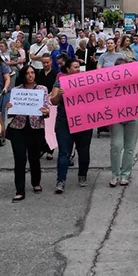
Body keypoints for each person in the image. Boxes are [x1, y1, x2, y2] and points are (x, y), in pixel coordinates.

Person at [50, 58, 94, 192]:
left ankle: (82, 175)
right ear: (68, 69)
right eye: (75, 67)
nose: (78, 69)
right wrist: (60, 95)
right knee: (64, 152)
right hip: (65, 122)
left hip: (83, 120)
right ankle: (61, 180)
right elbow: (53, 101)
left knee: (83, 150)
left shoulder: (86, 81)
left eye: (79, 67)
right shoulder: (60, 82)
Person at [8, 65, 50, 200]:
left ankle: (36, 182)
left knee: (34, 157)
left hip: (36, 128)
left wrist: (46, 112)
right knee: (19, 159)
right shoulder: (16, 90)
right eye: (27, 73)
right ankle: (19, 190)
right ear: (23, 75)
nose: (30, 75)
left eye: (32, 73)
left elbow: (47, 108)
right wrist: (9, 108)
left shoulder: (42, 89)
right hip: (18, 128)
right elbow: (10, 114)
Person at [108, 57, 138, 188]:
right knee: (116, 146)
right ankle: (115, 174)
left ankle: (125, 175)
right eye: (117, 66)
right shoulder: (109, 83)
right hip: (116, 117)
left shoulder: (136, 81)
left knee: (130, 147)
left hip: (133, 116)